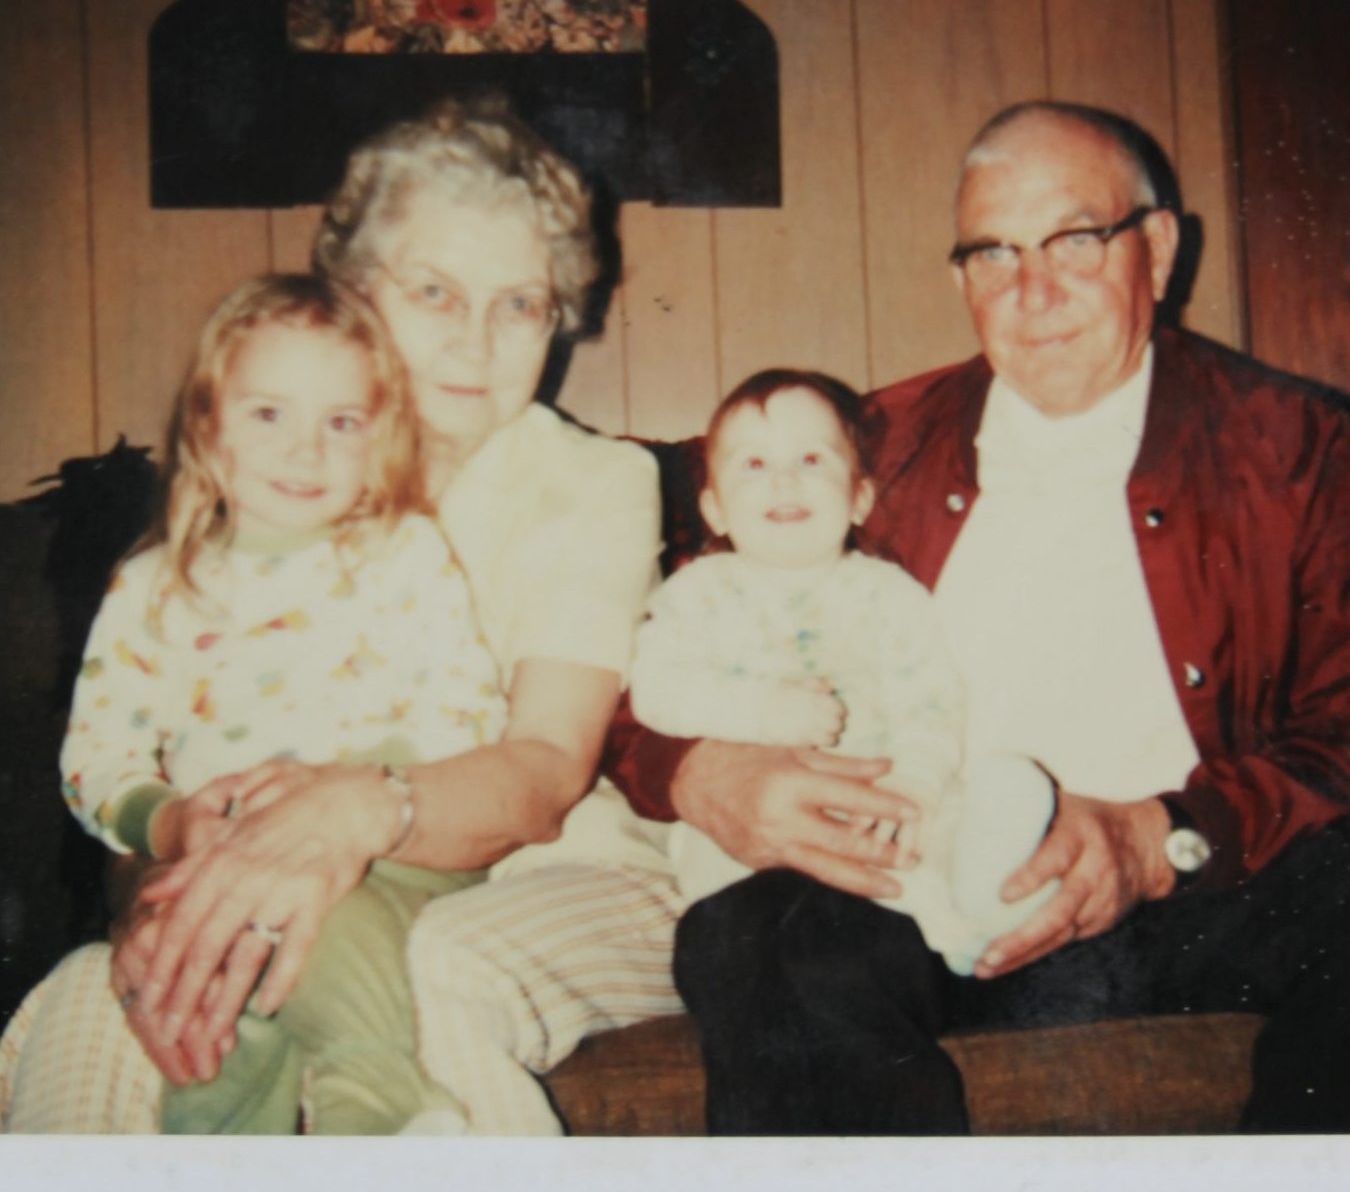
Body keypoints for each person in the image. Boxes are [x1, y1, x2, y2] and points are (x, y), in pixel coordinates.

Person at [606, 100, 1350, 1135]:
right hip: (921, 891)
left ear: (1161, 249)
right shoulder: (869, 448)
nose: (1034, 290)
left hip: (1191, 896)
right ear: (961, 279)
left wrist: (1161, 839)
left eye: (1076, 241)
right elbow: (635, 654)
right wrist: (697, 771)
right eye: (993, 254)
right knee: (756, 933)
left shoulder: (1304, 453)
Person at [0, 98, 680, 1134]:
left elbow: (544, 772)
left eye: (521, 305)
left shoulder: (594, 483)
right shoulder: (252, 499)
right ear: (354, 294)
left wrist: (357, 811)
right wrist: (163, 908)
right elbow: (157, 764)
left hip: (560, 879)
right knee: (94, 1003)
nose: (477, 340)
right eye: (435, 293)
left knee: (429, 972)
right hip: (301, 889)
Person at [60, 272, 509, 1134]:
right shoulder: (153, 585)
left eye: (341, 424)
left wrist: (345, 799)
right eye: (270, 415)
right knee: (197, 981)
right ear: (208, 428)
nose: (307, 452)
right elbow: (93, 758)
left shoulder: (403, 553)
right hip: (216, 851)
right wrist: (169, 824)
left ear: (380, 439)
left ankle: (379, 1117)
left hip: (393, 844)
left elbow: (467, 713)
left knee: (321, 918)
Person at [628, 366, 1056, 973]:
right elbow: (656, 689)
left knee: (943, 825)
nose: (783, 481)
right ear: (714, 508)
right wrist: (761, 710)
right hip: (761, 820)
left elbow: (931, 698)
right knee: (731, 884)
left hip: (884, 794)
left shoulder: (889, 594)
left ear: (859, 498)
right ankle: (952, 924)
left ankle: (989, 904)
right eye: (753, 465)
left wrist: (915, 785)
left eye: (810, 459)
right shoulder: (699, 594)